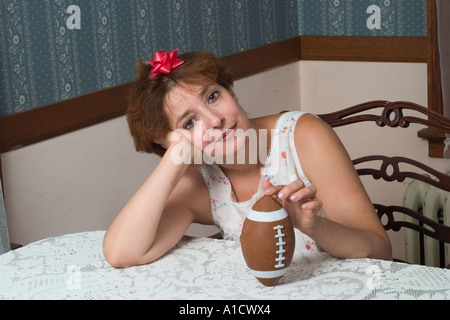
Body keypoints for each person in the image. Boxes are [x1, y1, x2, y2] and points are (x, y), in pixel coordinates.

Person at [103, 49, 392, 268]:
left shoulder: (304, 137)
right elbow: (122, 252)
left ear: (231, 90)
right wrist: (173, 158)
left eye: (213, 96)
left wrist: (313, 226)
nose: (216, 120)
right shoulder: (200, 183)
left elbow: (380, 251)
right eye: (190, 123)